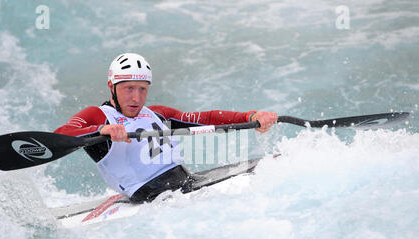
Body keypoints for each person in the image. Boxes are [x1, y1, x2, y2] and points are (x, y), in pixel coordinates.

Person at [54, 53, 278, 202]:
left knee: (273, 167)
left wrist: (250, 115)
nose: (136, 97)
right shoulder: (97, 115)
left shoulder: (156, 113)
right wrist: (100, 131)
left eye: (143, 89)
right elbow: (61, 135)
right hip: (151, 199)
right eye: (129, 88)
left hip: (186, 184)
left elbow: (204, 117)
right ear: (111, 86)